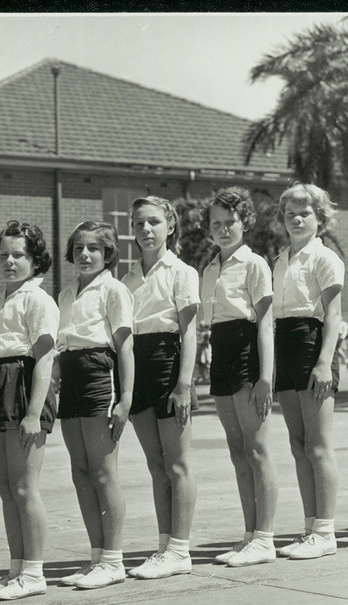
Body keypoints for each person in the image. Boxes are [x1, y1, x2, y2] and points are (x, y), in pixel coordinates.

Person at [0, 221, 59, 600]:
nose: (10, 261)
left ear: (35, 260)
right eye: (5, 255)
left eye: (19, 255)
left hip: (24, 389)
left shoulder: (38, 300)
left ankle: (35, 572)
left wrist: (32, 413)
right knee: (7, 487)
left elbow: (44, 357)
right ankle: (16, 569)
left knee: (25, 487)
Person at [199, 187, 279, 566]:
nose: (223, 229)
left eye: (230, 222)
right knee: (237, 451)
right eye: (216, 224)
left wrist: (266, 376)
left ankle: (265, 537)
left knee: (258, 449)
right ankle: (250, 534)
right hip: (222, 352)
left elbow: (265, 322)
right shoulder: (210, 268)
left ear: (244, 222)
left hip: (248, 351)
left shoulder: (255, 264)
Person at [122, 196, 200, 580]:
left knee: (177, 463)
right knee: (156, 466)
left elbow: (189, 331)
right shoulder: (127, 280)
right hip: (139, 369)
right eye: (139, 224)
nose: (146, 230)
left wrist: (184, 384)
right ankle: (164, 544)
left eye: (154, 222)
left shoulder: (181, 272)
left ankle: (181, 549)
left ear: (170, 226)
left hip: (170, 364)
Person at [55, 221, 134, 589]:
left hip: (100, 375)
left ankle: (114, 560)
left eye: (93, 248)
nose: (84, 254)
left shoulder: (114, 290)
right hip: (70, 378)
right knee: (81, 472)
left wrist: (125, 398)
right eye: (77, 248)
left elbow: (124, 347)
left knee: (103, 472)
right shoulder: (66, 294)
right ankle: (96, 556)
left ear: (107, 254)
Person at [272, 182, 343, 560]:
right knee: (297, 443)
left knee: (318, 444)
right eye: (290, 214)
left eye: (305, 213)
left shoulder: (324, 258)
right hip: (285, 344)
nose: (297, 220)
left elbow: (333, 315)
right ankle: (309, 525)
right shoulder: (281, 259)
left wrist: (323, 362)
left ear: (320, 218)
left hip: (313, 344)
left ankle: (326, 531)